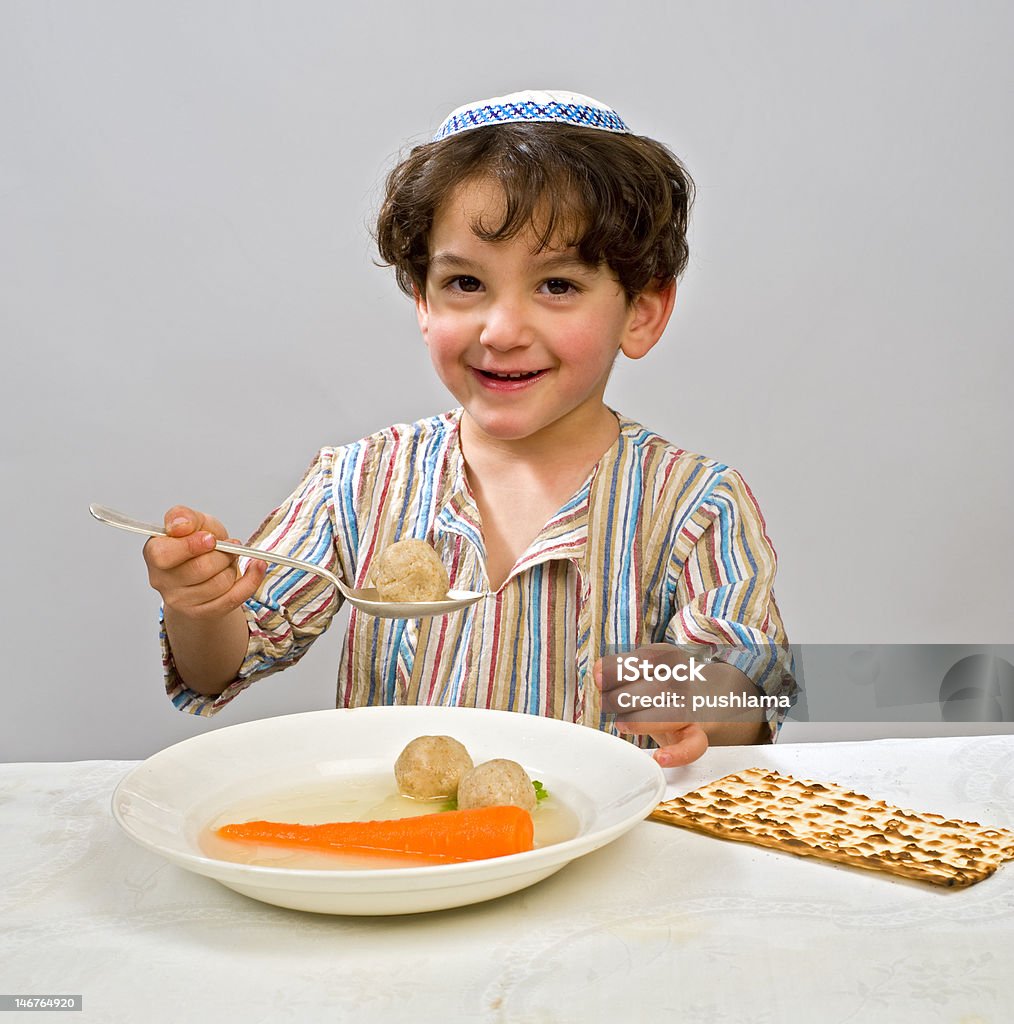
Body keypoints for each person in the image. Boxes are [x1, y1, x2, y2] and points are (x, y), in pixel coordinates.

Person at [143, 90, 794, 768]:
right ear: (421, 300)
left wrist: (698, 703)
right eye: (464, 284)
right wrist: (200, 607)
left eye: (558, 287)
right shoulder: (361, 481)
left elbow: (751, 689)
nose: (503, 331)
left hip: (608, 857)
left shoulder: (693, 502)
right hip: (400, 853)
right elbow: (228, 659)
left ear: (643, 311)